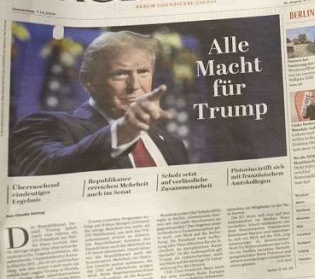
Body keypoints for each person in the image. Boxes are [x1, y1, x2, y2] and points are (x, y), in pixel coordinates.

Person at [10, 31, 189, 176]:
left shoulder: (173, 144)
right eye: (119, 74)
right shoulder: (46, 126)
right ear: (89, 81)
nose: (134, 86)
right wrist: (124, 131)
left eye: (143, 72)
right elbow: (47, 171)